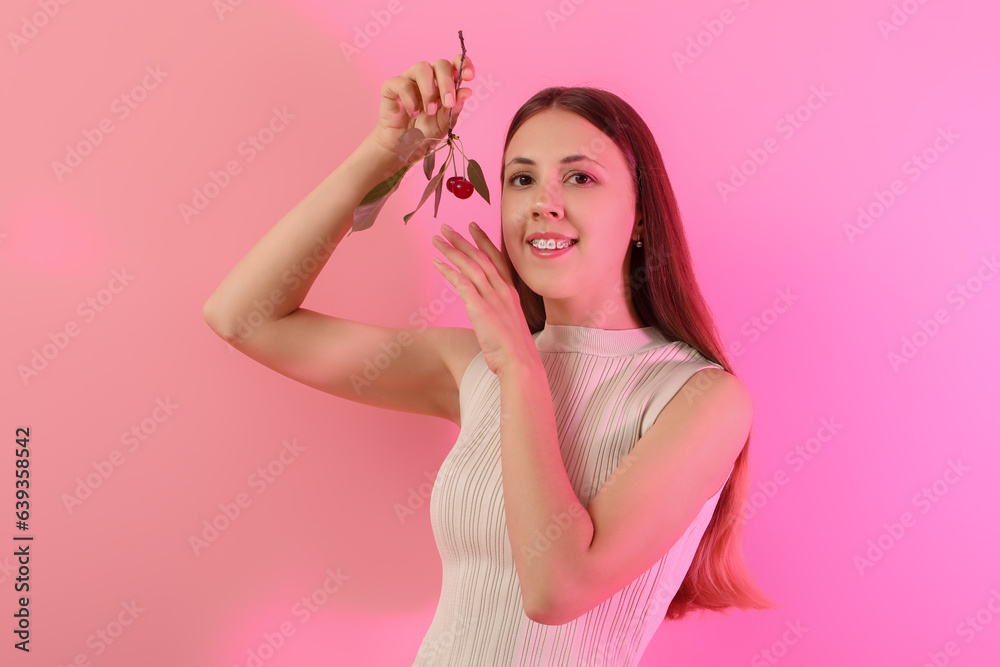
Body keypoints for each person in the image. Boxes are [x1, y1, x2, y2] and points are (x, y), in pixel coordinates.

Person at [203, 54, 777, 666]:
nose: (542, 203)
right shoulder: (472, 364)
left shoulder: (698, 397)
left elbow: (557, 589)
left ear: (640, 216)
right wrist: (383, 154)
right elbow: (244, 318)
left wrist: (520, 368)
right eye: (521, 179)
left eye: (580, 178)